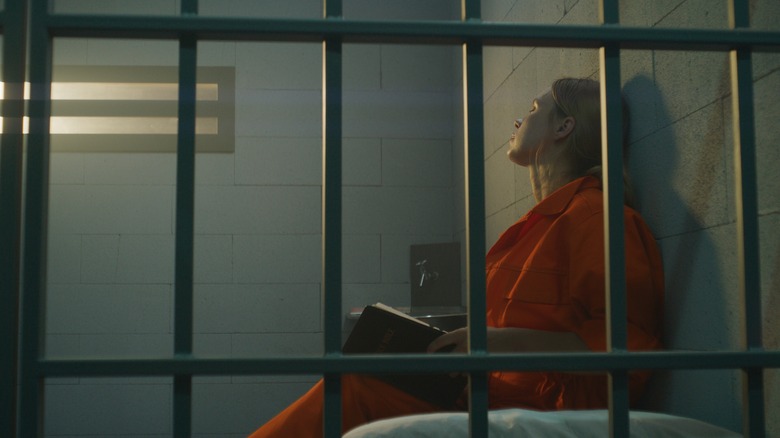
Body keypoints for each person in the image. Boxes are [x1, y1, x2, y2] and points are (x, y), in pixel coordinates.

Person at [248, 78, 664, 437]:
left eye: (534, 109)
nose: (519, 121)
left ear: (564, 126)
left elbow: (623, 352)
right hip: (492, 397)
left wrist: (487, 345)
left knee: (353, 390)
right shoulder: (540, 226)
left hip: (543, 414)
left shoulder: (598, 217)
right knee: (354, 381)